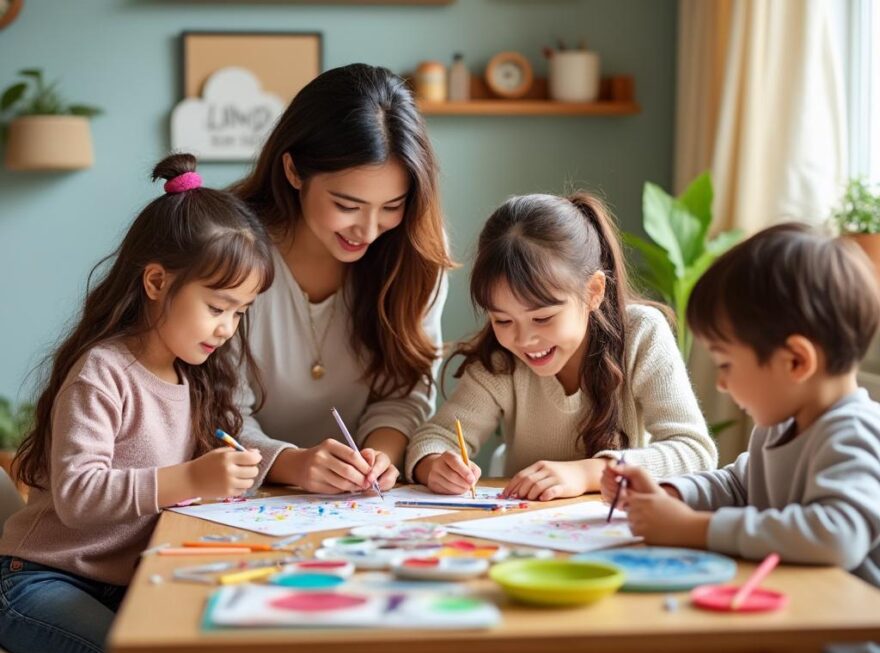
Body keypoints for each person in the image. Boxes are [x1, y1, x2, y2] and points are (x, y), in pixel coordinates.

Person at [0, 154, 273, 653]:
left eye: (240, 312)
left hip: (125, 581)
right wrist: (191, 479)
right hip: (39, 581)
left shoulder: (193, 374)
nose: (227, 328)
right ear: (156, 283)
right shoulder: (102, 373)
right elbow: (79, 494)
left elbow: (220, 453)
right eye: (217, 308)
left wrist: (273, 464)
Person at [606, 223, 880, 599]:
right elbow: (738, 486)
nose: (720, 383)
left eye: (725, 364)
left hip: (840, 638)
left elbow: (837, 536)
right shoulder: (781, 425)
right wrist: (672, 494)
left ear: (796, 362)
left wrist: (695, 528)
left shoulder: (854, 433)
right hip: (787, 611)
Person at [230, 63, 452, 494]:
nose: (368, 231)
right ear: (293, 171)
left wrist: (380, 457)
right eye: (347, 205)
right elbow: (211, 408)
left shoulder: (416, 253)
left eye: (392, 205)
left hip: (355, 498)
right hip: (240, 488)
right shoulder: (226, 248)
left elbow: (404, 393)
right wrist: (291, 464)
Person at [406, 192, 716, 500]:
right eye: (502, 321)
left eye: (542, 318)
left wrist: (587, 473)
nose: (524, 340)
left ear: (593, 291)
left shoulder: (642, 332)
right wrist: (434, 465)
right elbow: (435, 437)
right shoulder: (501, 359)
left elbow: (695, 451)